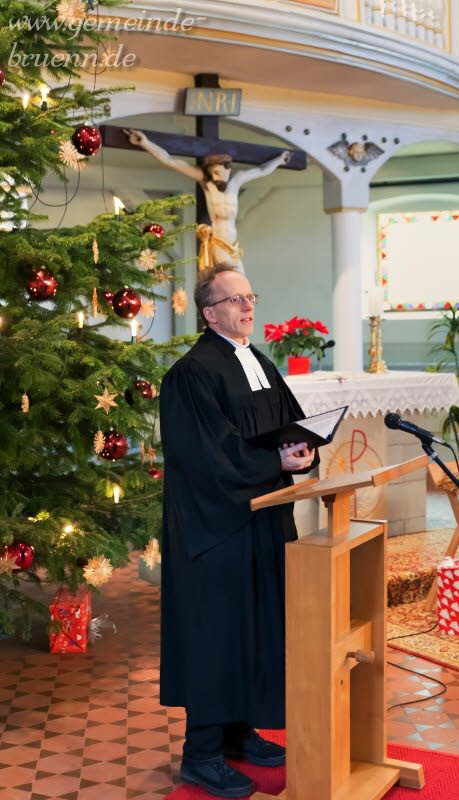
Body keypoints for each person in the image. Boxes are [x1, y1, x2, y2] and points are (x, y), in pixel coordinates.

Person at [159, 264, 318, 798]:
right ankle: (202, 753)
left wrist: (303, 450)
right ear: (209, 313)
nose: (248, 306)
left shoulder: (258, 361)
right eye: (235, 300)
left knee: (254, 626)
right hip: (217, 527)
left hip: (263, 518)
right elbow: (205, 455)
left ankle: (238, 732)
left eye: (251, 296)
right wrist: (275, 462)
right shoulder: (190, 373)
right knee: (218, 633)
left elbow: (288, 426)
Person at [125, 128, 292, 272]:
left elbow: (261, 171)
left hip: (234, 244)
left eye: (220, 173)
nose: (218, 177)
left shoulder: (236, 181)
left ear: (229, 170)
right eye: (214, 173)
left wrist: (279, 160)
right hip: (217, 242)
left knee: (241, 280)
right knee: (230, 279)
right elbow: (171, 161)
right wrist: (145, 143)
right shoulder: (207, 183)